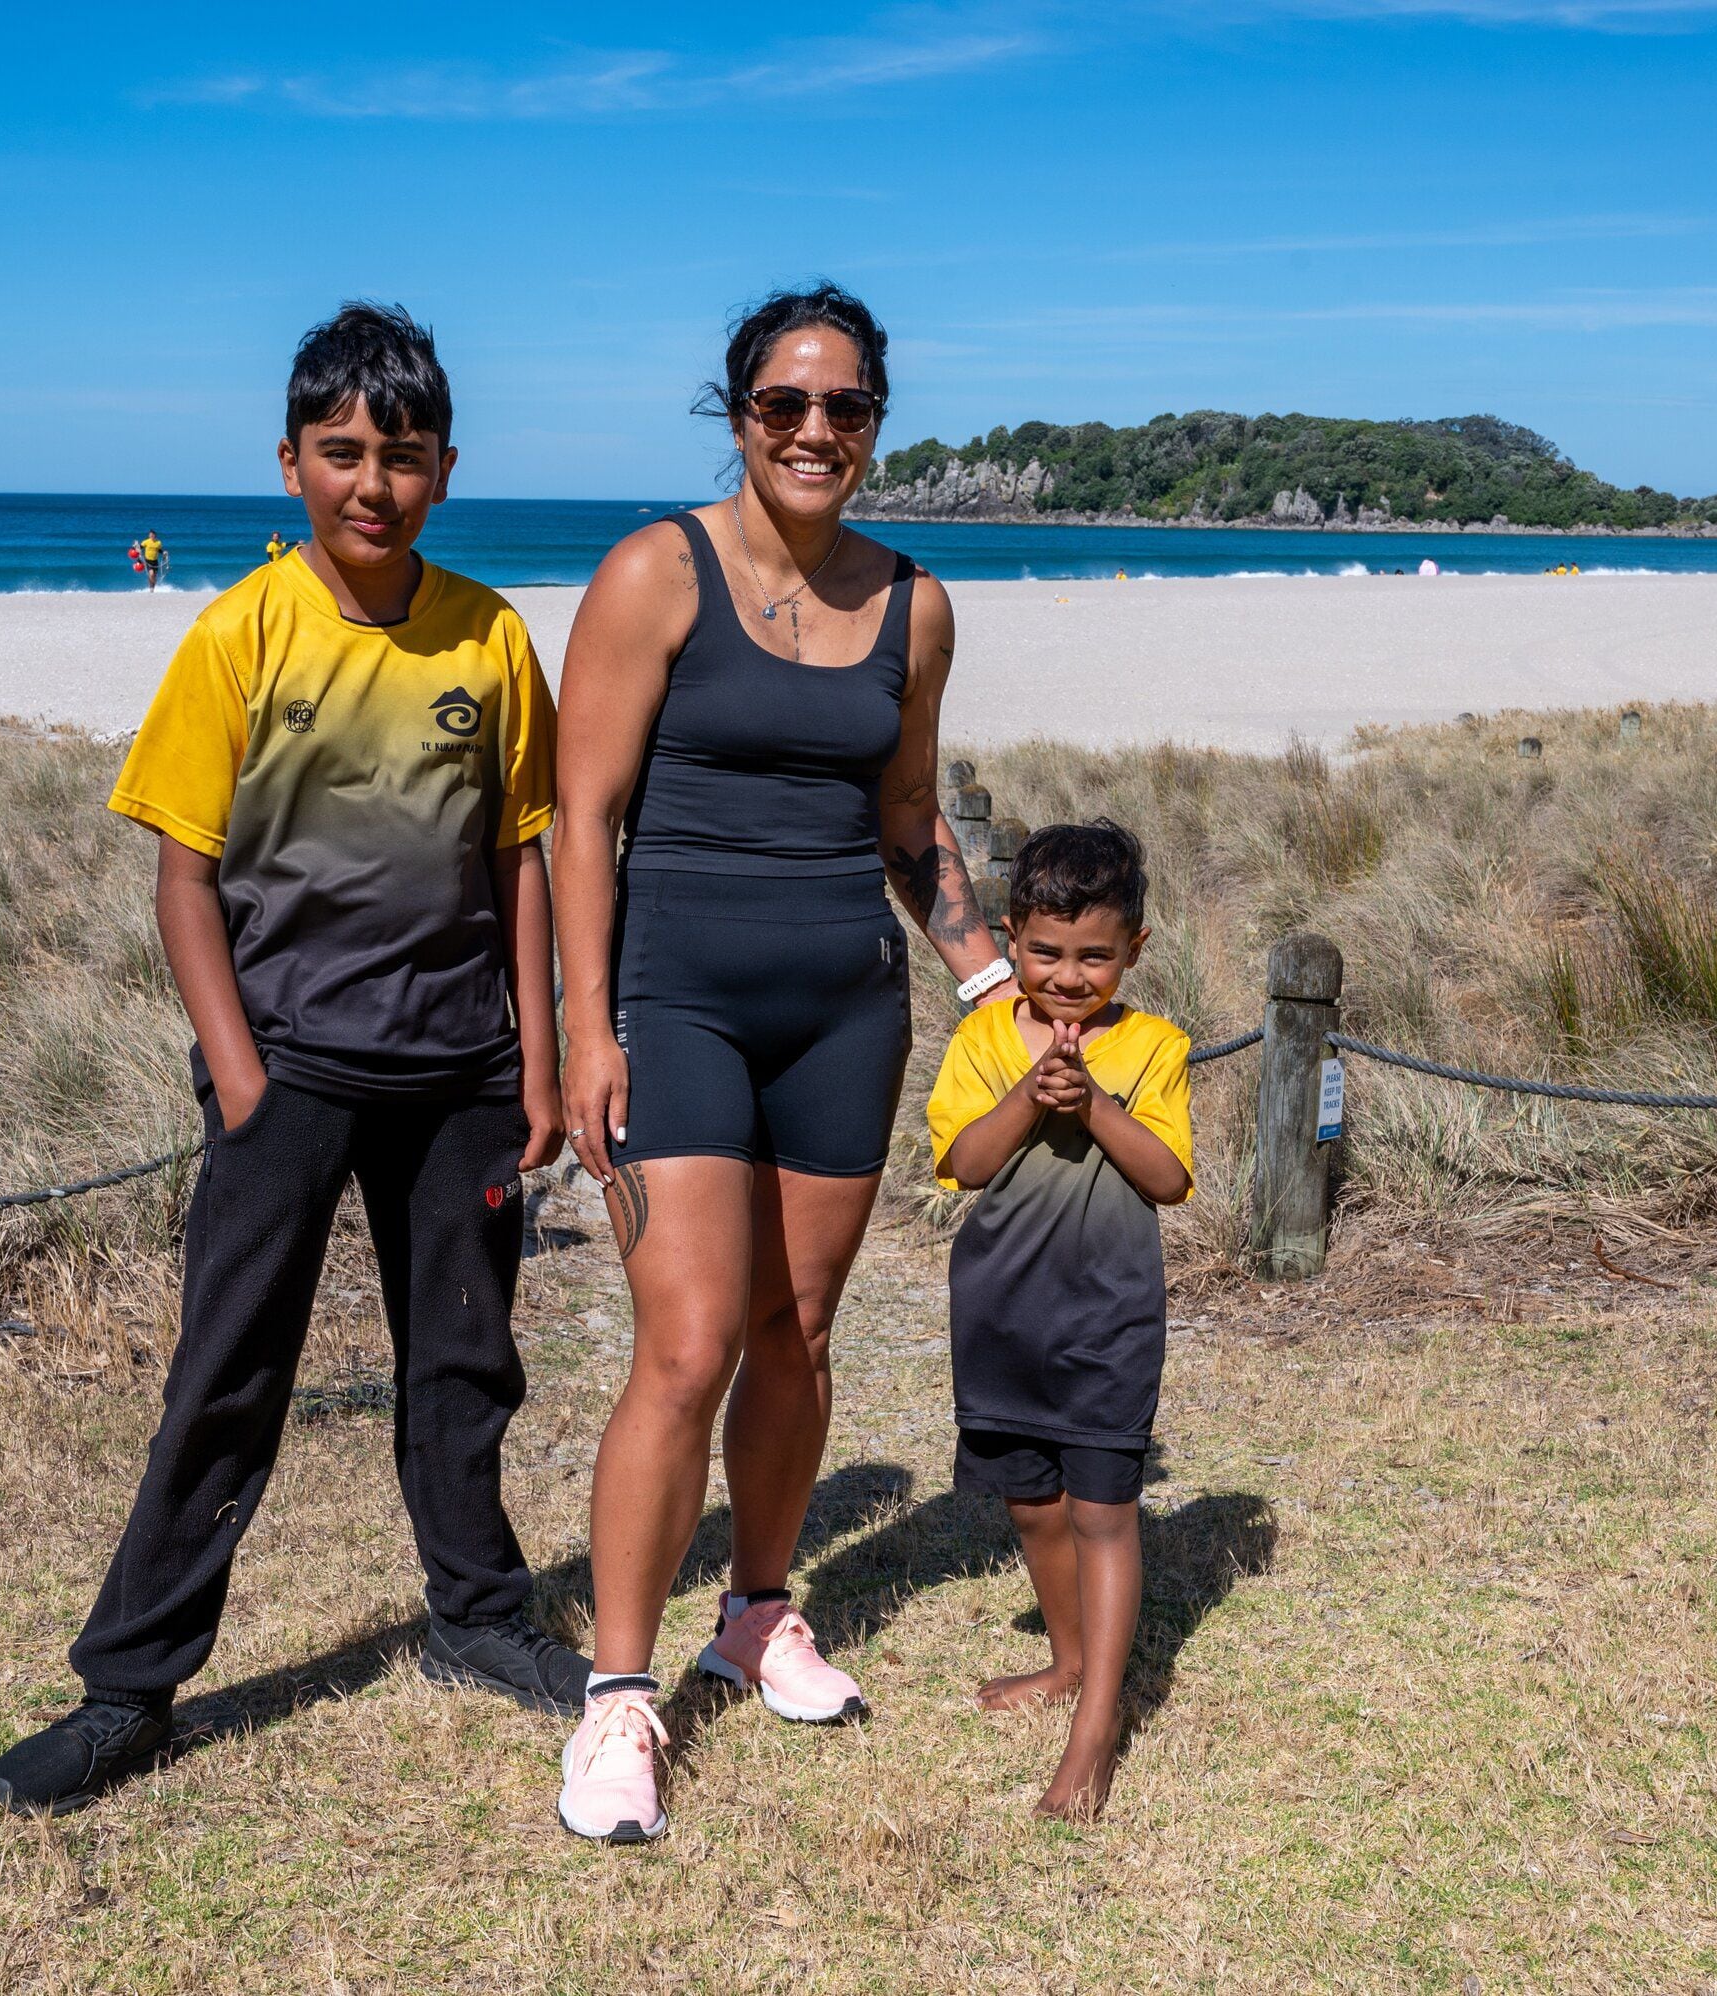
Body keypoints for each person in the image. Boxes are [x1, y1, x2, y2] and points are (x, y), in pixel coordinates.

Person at [0, 301, 585, 1819]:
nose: (373, 484)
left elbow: (521, 856)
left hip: (461, 1070)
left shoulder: (492, 637)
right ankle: (128, 1688)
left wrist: (539, 1058)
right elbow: (183, 877)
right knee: (229, 1371)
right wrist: (242, 1077)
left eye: (403, 456)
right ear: (291, 460)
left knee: (466, 1358)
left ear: (446, 469)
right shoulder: (239, 632)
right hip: (293, 1068)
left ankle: (478, 1617)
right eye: (343, 452)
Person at [549, 283, 1008, 1844]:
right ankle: (619, 1701)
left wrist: (988, 978)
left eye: (846, 405)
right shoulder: (653, 573)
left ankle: (754, 1613)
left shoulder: (916, 606)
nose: (816, 430)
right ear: (738, 413)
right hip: (676, 1004)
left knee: (796, 1330)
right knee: (687, 1348)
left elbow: (908, 819)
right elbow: (581, 820)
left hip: (843, 1013)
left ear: (877, 421)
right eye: (784, 404)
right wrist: (588, 1028)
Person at [926, 821, 1192, 1823]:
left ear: (1135, 949)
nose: (1070, 976)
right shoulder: (983, 1041)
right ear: (1011, 939)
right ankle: (1070, 1661)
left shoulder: (1155, 1047)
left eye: (1094, 955)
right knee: (1034, 1503)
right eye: (1046, 952)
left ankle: (1096, 1727)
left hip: (1108, 1316)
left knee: (1102, 1511)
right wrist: (1028, 1098)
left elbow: (1167, 1179)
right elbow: (966, 1163)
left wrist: (1096, 1107)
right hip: (1003, 1312)